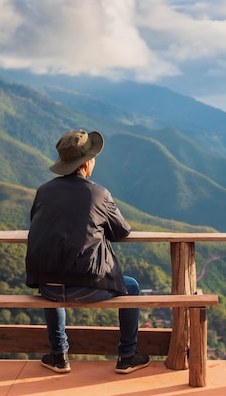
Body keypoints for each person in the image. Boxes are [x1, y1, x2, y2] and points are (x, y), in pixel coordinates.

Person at [25, 129, 149, 374]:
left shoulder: (43, 191)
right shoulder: (98, 194)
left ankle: (59, 355)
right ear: (86, 163)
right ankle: (127, 356)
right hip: (89, 286)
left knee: (54, 276)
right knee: (132, 287)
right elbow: (121, 231)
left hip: (47, 286)